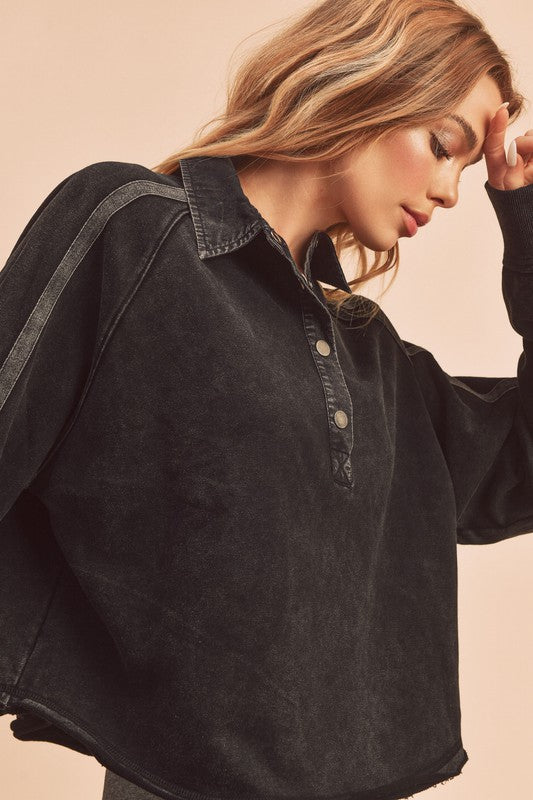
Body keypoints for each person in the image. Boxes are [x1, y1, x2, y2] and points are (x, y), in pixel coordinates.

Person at [0, 1, 532, 799]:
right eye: (441, 145)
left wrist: (526, 224)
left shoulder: (370, 358)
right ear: (366, 86)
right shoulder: (134, 232)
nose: (451, 191)